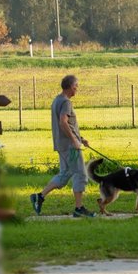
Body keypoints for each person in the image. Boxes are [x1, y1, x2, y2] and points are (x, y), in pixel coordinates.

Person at [30, 75, 93, 217]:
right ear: (71, 86)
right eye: (76, 86)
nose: (77, 88)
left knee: (65, 174)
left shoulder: (56, 100)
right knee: (80, 174)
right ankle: (79, 209)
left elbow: (68, 125)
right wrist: (75, 141)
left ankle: (39, 197)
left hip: (62, 144)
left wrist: (80, 138)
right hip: (71, 146)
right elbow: (63, 122)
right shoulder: (66, 102)